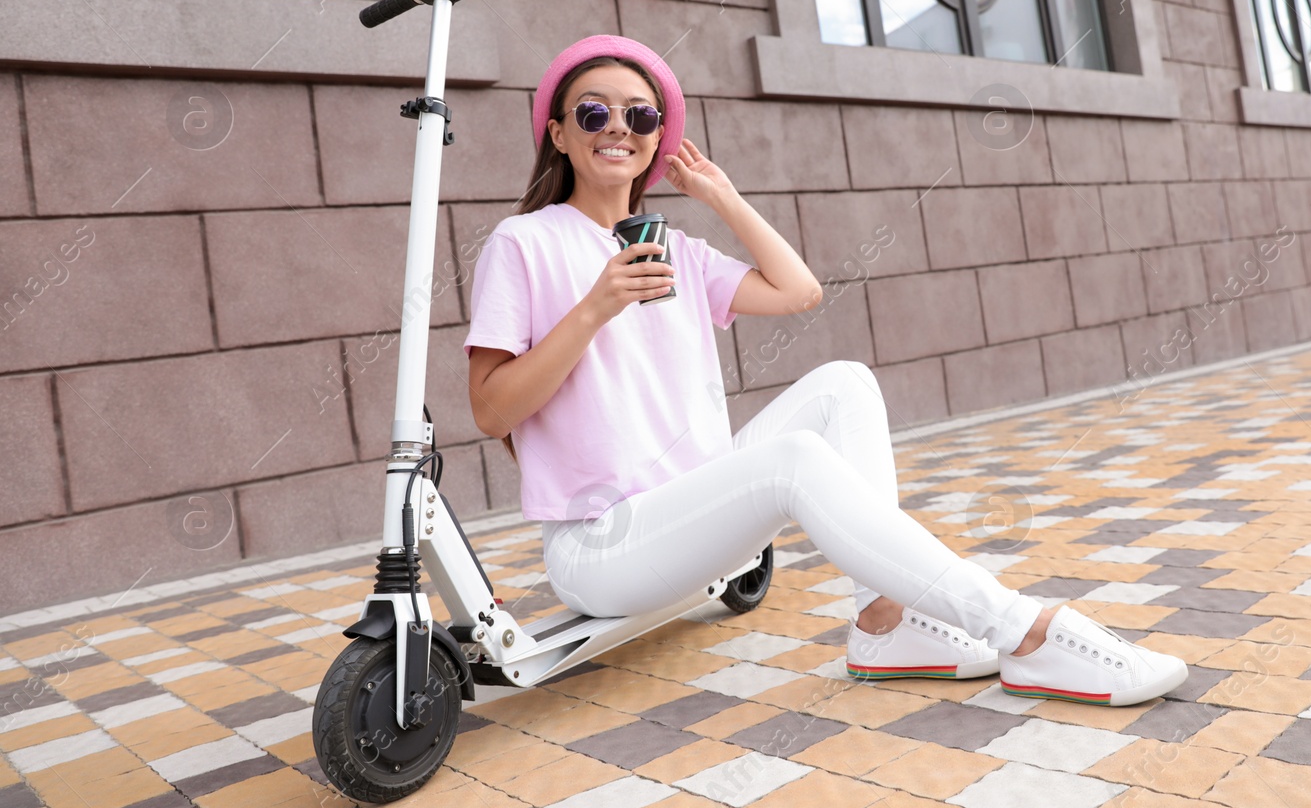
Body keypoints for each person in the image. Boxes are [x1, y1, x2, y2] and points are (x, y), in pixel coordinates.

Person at [462, 34, 1187, 706]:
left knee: (846, 383)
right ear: (557, 132)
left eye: (640, 114)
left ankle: (886, 619)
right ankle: (1023, 630)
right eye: (593, 112)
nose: (617, 125)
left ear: (657, 138)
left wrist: (724, 199)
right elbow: (492, 410)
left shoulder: (677, 250)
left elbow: (798, 290)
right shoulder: (523, 242)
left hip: (690, 508)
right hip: (601, 546)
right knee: (794, 461)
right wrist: (594, 308)